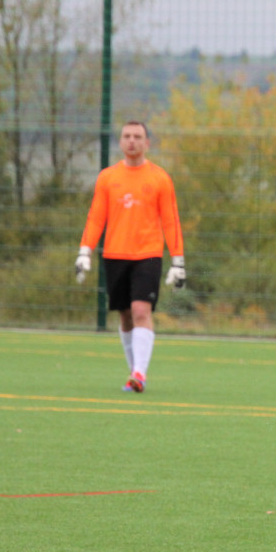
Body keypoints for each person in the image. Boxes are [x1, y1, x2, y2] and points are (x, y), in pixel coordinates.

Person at [76, 121, 186, 393]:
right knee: (125, 316)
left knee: (140, 310)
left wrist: (178, 261)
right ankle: (134, 372)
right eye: (127, 136)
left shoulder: (160, 178)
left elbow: (170, 221)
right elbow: (96, 217)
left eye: (138, 136)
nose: (132, 141)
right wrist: (85, 251)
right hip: (115, 254)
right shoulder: (107, 178)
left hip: (148, 255)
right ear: (121, 141)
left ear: (147, 143)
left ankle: (139, 373)